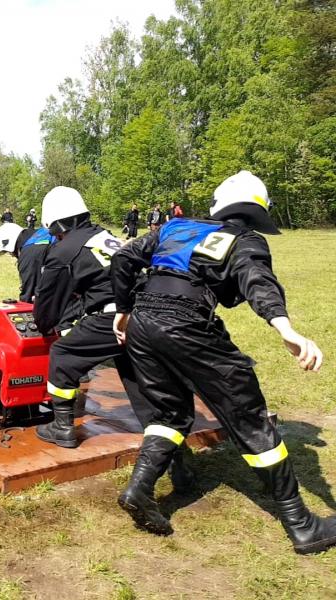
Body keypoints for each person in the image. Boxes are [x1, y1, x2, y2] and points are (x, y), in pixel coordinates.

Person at [110, 170, 335, 554]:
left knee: (168, 413)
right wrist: (286, 330)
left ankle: (140, 489)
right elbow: (257, 280)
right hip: (187, 322)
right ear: (257, 212)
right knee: (248, 417)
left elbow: (123, 257)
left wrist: (124, 310)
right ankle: (301, 525)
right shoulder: (245, 239)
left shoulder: (175, 226)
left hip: (144, 321)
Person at [30, 187, 193, 490]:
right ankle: (177, 462)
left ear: (56, 225)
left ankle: (63, 427)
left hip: (117, 316)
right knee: (142, 389)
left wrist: (43, 325)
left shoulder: (64, 251)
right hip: (151, 313)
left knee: (64, 354)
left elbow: (48, 305)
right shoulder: (103, 236)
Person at [0, 222, 55, 303]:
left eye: (9, 252)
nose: (12, 255)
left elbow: (29, 291)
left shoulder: (29, 253)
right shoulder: (42, 233)